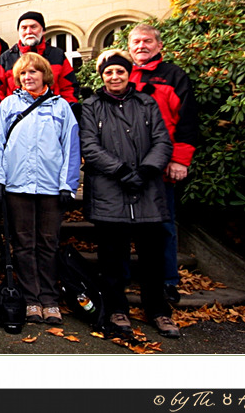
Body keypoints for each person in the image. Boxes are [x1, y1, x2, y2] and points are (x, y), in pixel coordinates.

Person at [79, 49, 179, 339]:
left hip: (147, 189)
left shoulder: (146, 103)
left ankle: (158, 309)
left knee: (153, 257)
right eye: (109, 72)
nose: (114, 77)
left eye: (119, 72)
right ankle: (116, 308)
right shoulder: (92, 105)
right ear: (102, 76)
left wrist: (147, 169)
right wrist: (121, 170)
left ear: (128, 74)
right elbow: (89, 144)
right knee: (112, 257)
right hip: (110, 189)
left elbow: (162, 139)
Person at [0, 52, 80, 325]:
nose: (28, 77)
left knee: (48, 243)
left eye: (33, 72)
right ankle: (31, 299)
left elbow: (71, 148)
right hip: (18, 186)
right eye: (23, 74)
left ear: (45, 75)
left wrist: (68, 185)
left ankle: (50, 300)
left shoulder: (61, 107)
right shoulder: (8, 105)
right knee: (24, 244)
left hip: (51, 188)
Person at [128, 22, 200, 304]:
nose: (141, 46)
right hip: (127, 165)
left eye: (147, 41)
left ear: (159, 45)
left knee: (163, 225)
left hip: (161, 165)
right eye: (136, 42)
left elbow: (187, 121)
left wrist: (180, 160)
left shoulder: (174, 76)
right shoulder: (123, 74)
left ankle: (167, 280)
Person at [0, 11, 80, 119]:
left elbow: (70, 88)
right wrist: (5, 114)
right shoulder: (6, 58)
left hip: (52, 119)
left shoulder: (57, 55)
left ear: (43, 30)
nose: (28, 31)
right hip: (17, 120)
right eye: (24, 28)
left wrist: (63, 113)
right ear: (19, 31)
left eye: (33, 27)